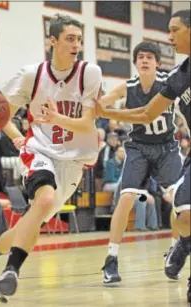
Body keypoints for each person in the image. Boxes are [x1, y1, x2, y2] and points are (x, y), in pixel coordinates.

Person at [0, 13, 102, 300]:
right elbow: (2, 113)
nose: (76, 45)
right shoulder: (31, 75)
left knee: (33, 219)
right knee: (45, 199)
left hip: (74, 160)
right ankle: (11, 271)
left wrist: (58, 118)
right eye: (69, 39)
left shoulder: (90, 73)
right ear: (52, 41)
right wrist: (15, 135)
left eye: (79, 39)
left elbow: (87, 124)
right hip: (39, 149)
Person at [96, 10, 190, 302]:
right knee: (128, 198)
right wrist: (97, 105)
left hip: (166, 148)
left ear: (157, 62)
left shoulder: (170, 78)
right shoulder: (135, 85)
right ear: (135, 63)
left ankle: (177, 246)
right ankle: (111, 259)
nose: (145, 60)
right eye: (141, 57)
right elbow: (108, 105)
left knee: (178, 203)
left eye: (150, 56)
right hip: (137, 147)